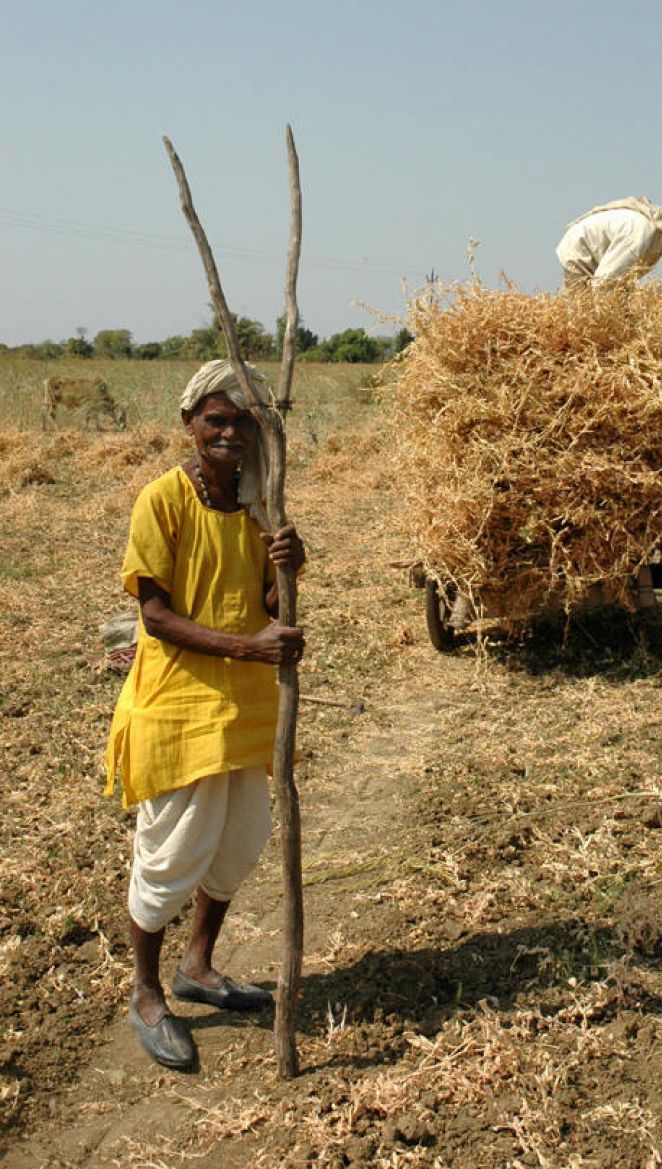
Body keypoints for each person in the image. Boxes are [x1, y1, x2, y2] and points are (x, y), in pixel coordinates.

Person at [105, 358, 307, 1070]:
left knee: (236, 844)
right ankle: (147, 990)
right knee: (170, 857)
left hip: (246, 709)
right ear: (189, 424)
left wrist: (290, 567)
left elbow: (269, 605)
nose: (229, 433)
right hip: (178, 706)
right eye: (215, 420)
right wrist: (249, 647)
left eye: (242, 421)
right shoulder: (161, 501)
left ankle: (200, 963)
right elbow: (155, 616)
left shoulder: (260, 506)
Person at [555, 195, 662, 289]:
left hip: (593, 257)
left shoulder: (654, 243)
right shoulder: (641, 238)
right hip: (580, 251)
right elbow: (604, 282)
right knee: (581, 312)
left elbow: (622, 282)